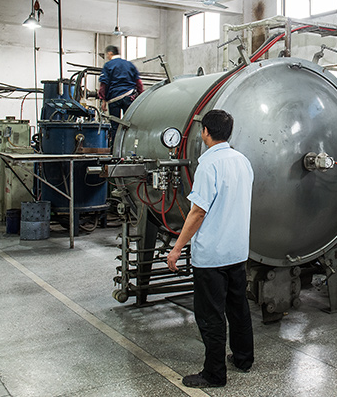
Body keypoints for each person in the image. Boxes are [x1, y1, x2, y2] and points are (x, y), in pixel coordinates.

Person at [166, 109, 255, 389]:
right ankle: (243, 358)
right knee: (238, 308)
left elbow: (198, 212)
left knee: (211, 316)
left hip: (212, 255)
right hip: (237, 251)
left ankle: (214, 374)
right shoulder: (243, 161)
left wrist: (177, 248)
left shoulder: (208, 165)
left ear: (205, 132)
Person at [98, 45, 144, 142]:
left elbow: (104, 84)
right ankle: (129, 146)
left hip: (114, 99)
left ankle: (115, 148)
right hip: (129, 97)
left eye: (107, 55)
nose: (107, 57)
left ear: (110, 53)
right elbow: (138, 82)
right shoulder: (129, 64)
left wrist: (103, 100)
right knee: (130, 124)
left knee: (115, 126)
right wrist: (142, 96)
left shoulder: (108, 65)